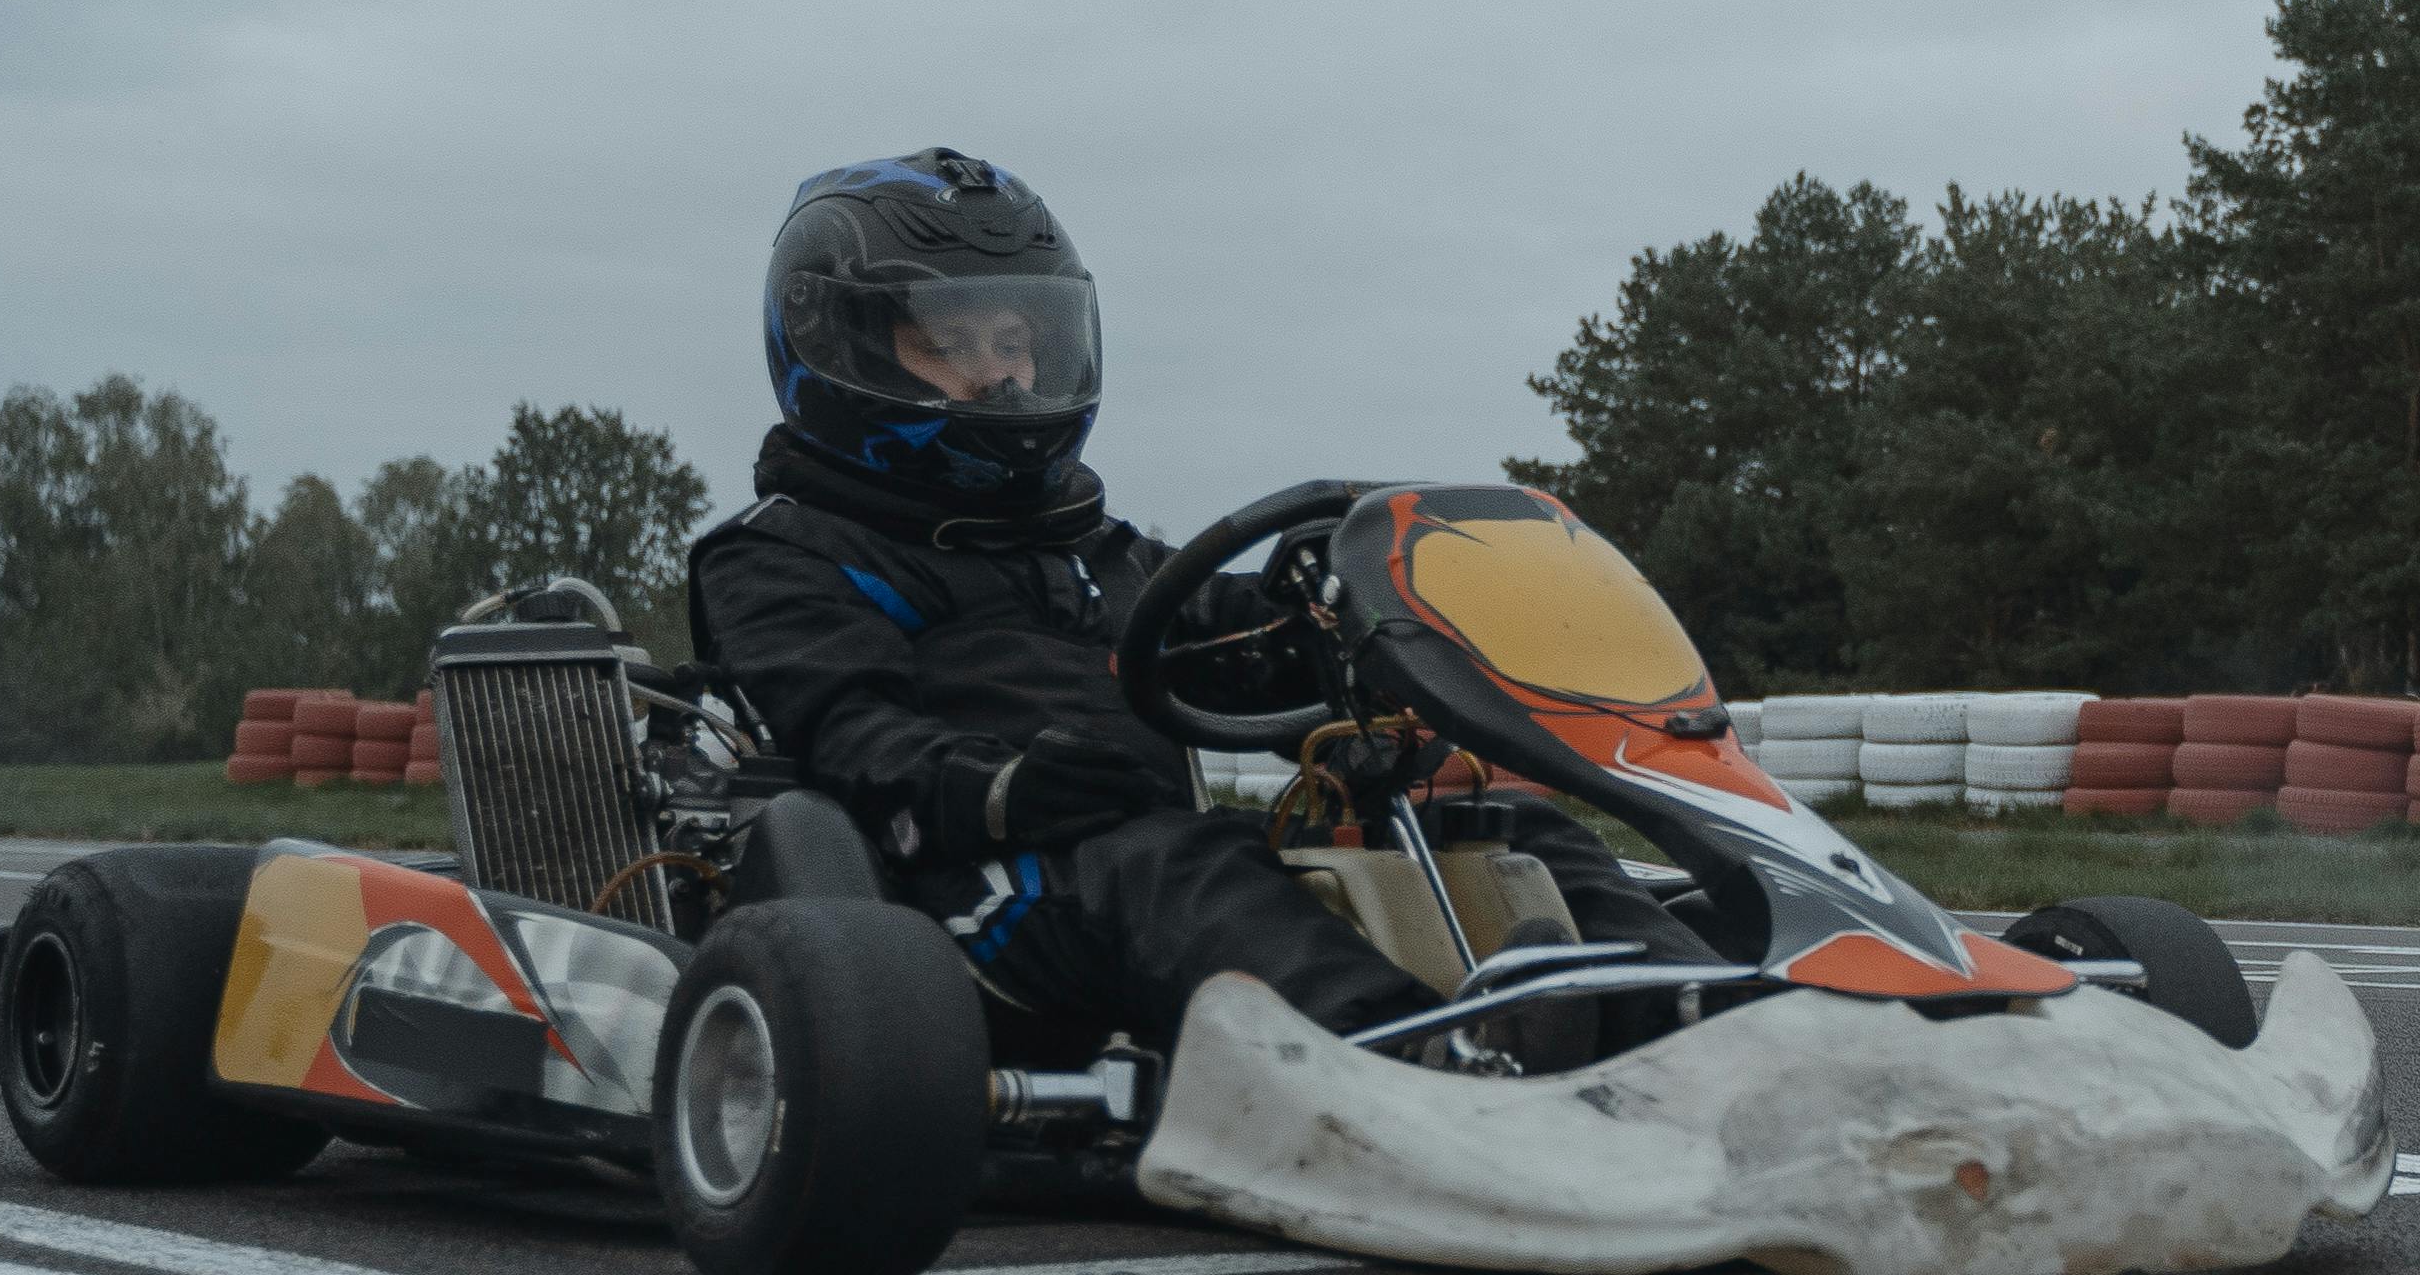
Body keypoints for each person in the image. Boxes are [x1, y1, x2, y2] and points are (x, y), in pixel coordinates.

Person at [683, 148, 1677, 1056]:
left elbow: (1238, 643)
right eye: (952, 339)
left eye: (1017, 338)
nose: (1003, 374)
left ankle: (1698, 1018)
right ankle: (1415, 1062)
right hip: (953, 901)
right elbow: (854, 741)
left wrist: (1357, 653)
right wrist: (1006, 788)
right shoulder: (781, 556)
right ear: (841, 343)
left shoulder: (1094, 552)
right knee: (1176, 862)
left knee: (1488, 821)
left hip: (1130, 878)